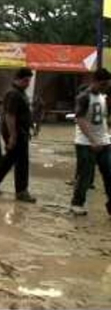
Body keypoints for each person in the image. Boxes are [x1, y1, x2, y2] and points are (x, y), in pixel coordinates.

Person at [0, 68, 37, 203]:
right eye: (25, 80)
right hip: (16, 132)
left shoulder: (20, 93)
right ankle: (21, 191)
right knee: (22, 162)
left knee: (9, 159)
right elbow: (9, 115)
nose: (27, 83)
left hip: (21, 132)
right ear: (18, 79)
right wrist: (13, 136)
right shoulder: (13, 94)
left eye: (29, 81)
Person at [70, 69, 111, 216]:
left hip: (104, 141)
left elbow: (103, 119)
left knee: (109, 174)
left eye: (107, 84)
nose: (105, 87)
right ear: (95, 81)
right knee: (85, 175)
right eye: (103, 84)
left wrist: (106, 137)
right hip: (86, 143)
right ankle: (77, 203)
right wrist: (93, 140)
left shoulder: (103, 96)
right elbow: (80, 119)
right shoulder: (84, 97)